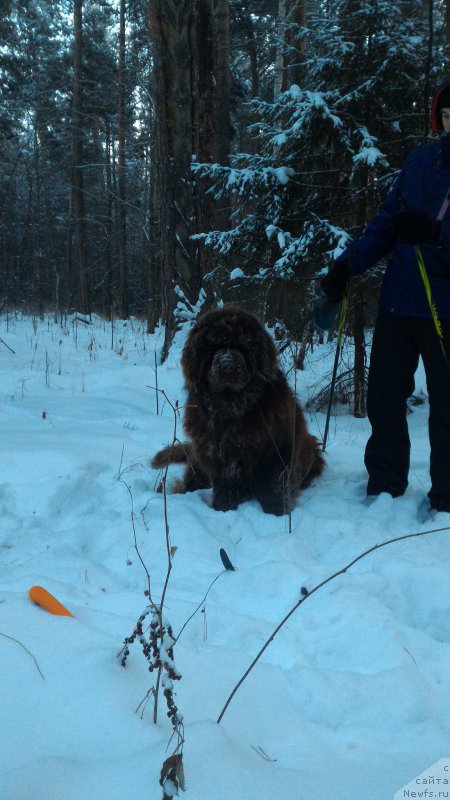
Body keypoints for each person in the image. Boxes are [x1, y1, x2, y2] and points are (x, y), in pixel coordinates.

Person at [314, 77, 450, 515]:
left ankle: (447, 496)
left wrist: (438, 232)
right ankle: (385, 484)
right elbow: (385, 224)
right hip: (399, 302)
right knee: (384, 398)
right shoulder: (420, 161)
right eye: (447, 114)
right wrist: (345, 266)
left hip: (445, 308)